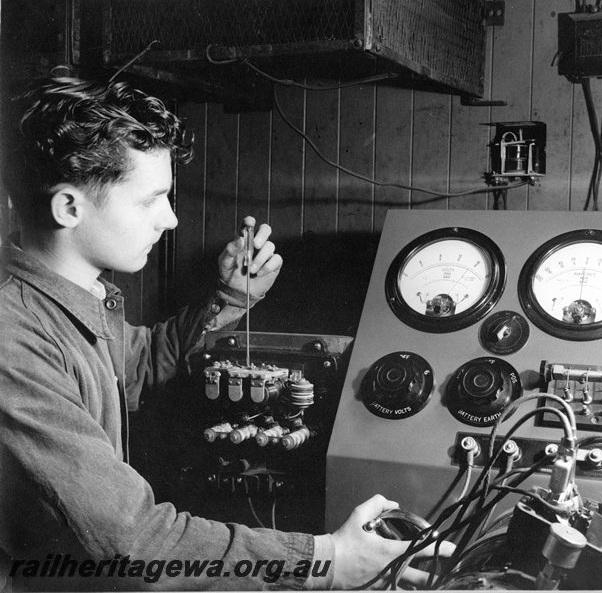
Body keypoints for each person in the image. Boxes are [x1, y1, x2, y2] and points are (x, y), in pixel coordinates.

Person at [0, 76, 450, 591]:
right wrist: (321, 560)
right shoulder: (13, 338)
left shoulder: (71, 300)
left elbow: (142, 363)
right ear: (69, 208)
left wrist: (231, 296)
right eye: (152, 200)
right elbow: (133, 543)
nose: (170, 220)